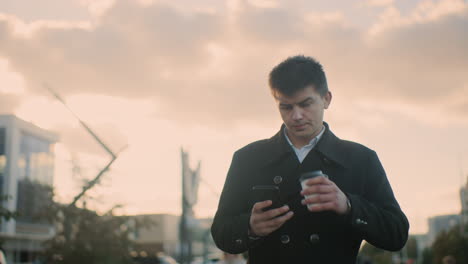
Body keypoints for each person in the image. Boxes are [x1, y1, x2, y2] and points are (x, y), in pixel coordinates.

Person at [211, 55, 409, 263]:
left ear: (326, 99)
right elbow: (221, 233)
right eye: (286, 107)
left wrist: (349, 206)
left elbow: (397, 234)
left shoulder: (361, 159)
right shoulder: (247, 158)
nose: (296, 116)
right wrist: (250, 227)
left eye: (305, 104)